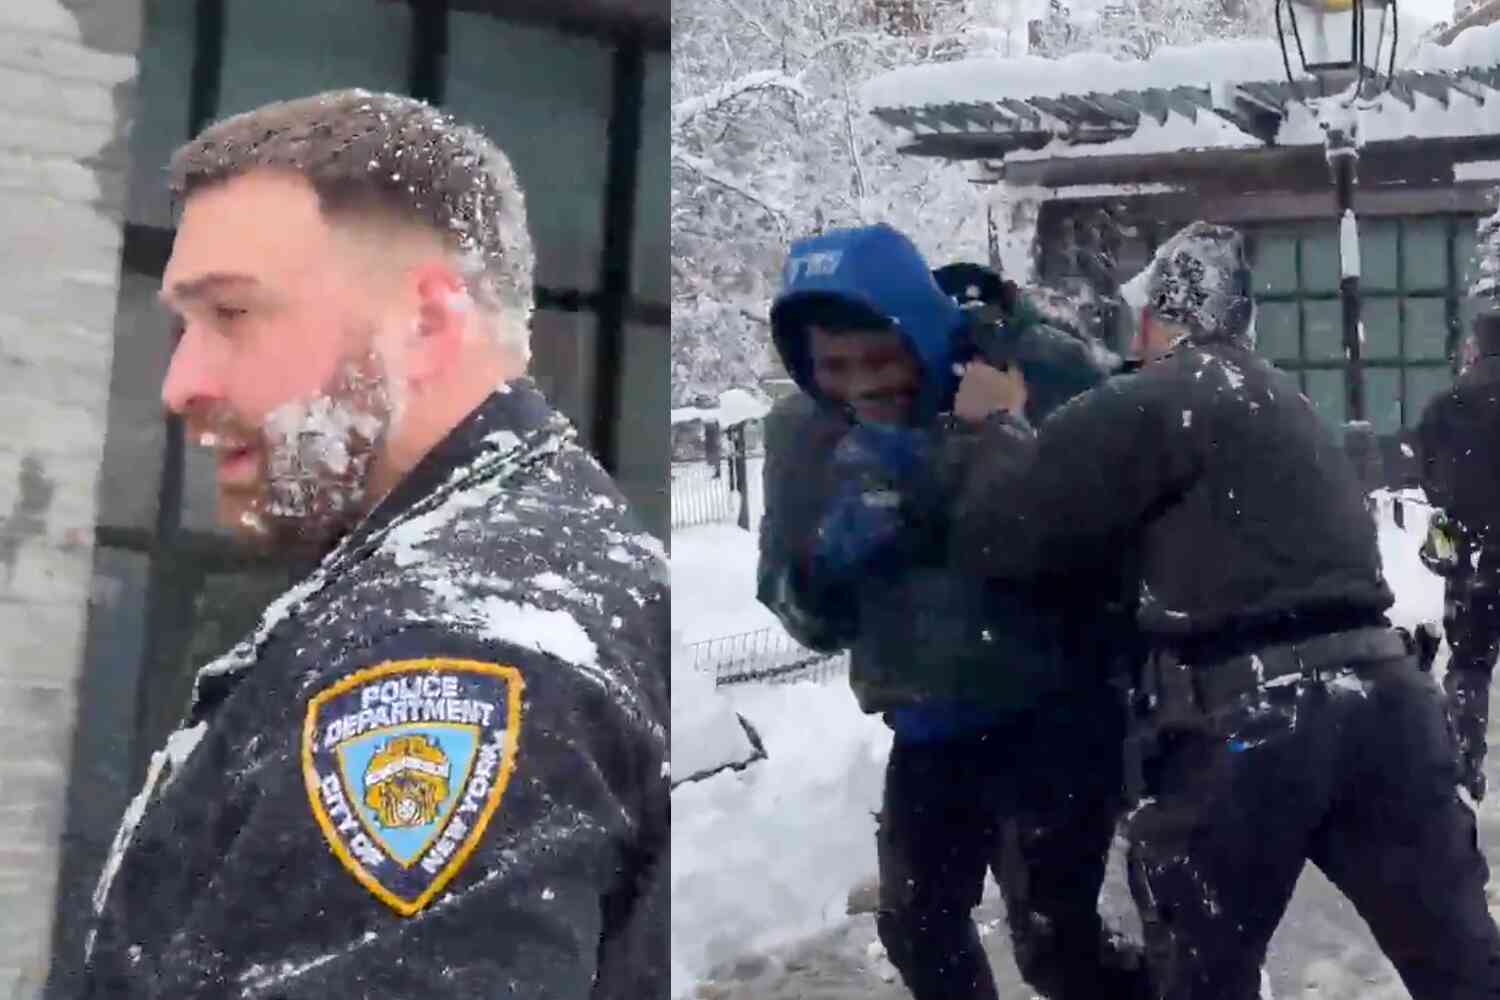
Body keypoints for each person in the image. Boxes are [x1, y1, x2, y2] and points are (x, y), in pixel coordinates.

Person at [80, 90, 668, 999]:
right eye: (182, 324)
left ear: (426, 324)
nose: (181, 382)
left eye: (232, 314)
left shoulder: (446, 658)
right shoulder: (514, 572)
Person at [947, 220, 1500, 999]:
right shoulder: (1289, 404)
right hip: (1387, 703)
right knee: (1464, 971)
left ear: (1153, 319)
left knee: (1203, 979)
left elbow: (1006, 536)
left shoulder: (1157, 395)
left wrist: (997, 421)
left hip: (1253, 723)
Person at [757, 224, 1145, 1000]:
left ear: (923, 333)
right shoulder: (806, 435)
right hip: (929, 725)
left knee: (1054, 942)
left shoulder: (1035, 372)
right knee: (917, 927)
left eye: (881, 357)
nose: (862, 384)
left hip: (1060, 711)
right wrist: (831, 558)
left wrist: (1001, 445)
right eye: (833, 366)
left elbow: (1132, 511)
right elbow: (803, 612)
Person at [1418, 303, 1500, 802]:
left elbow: (1432, 485)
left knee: (1469, 661)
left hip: (1473, 556)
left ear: (1475, 346)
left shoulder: (1447, 405)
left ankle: (1465, 756)